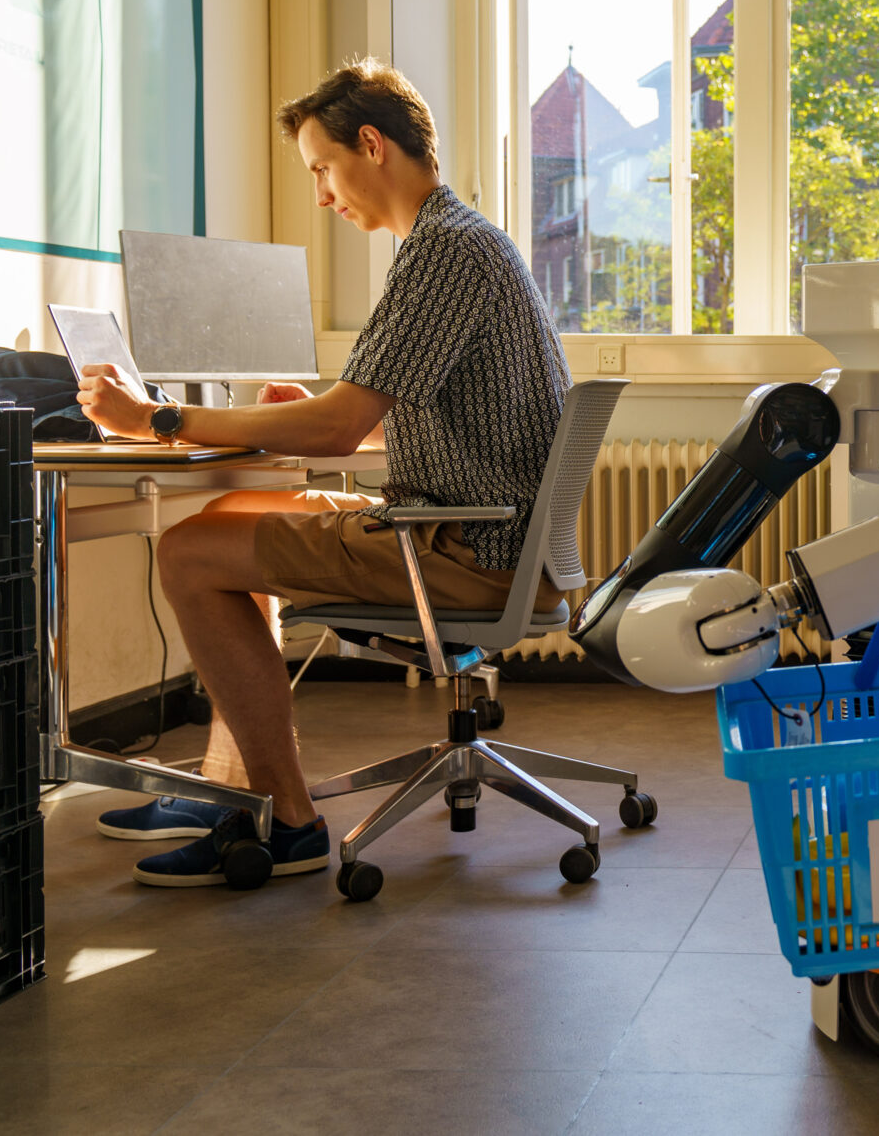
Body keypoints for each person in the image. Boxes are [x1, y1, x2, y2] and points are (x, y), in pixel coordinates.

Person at [79, 58, 570, 887]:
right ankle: (239, 791)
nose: (320, 194)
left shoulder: (444, 251)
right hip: (484, 536)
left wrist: (157, 419)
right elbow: (364, 411)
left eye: (321, 168)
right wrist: (306, 404)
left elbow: (342, 430)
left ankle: (290, 821)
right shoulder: (462, 240)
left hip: (463, 551)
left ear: (369, 145)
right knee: (243, 516)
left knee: (188, 553)